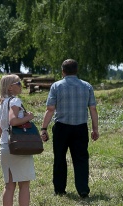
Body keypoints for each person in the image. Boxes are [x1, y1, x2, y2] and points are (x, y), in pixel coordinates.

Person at [41, 59, 99, 198]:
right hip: (80, 127)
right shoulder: (87, 86)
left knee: (59, 158)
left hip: (62, 127)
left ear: (63, 71)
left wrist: (44, 128)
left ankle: (60, 189)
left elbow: (50, 109)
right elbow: (93, 108)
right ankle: (83, 189)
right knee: (81, 158)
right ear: (76, 70)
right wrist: (95, 129)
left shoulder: (56, 86)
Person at [0, 75, 37, 206]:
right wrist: (28, 117)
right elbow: (13, 121)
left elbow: (1, 129)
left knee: (9, 185)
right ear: (10, 87)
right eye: (18, 83)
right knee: (24, 184)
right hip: (19, 146)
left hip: (5, 144)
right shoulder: (15, 102)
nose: (21, 85)